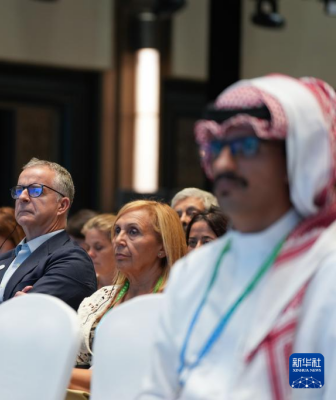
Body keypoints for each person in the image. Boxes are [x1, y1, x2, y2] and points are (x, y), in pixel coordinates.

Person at [137, 75, 336, 399]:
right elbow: (157, 390)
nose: (223, 163)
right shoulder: (195, 270)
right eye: (216, 146)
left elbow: (315, 388)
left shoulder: (326, 270)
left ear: (299, 157)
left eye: (245, 146)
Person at [0, 158, 97, 398]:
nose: (22, 197)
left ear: (62, 205)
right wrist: (7, 309)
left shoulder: (71, 260)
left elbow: (23, 327)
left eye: (35, 190)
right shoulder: (1, 260)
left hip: (18, 386)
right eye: (19, 189)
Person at [69, 200, 186, 393]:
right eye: (117, 231)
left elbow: (128, 377)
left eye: (133, 232)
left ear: (162, 247)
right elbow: (71, 355)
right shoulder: (102, 298)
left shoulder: (176, 304)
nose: (119, 240)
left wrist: (55, 373)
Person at [81, 213, 116, 289]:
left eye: (98, 247)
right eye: (87, 247)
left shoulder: (137, 288)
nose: (89, 254)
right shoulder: (81, 285)